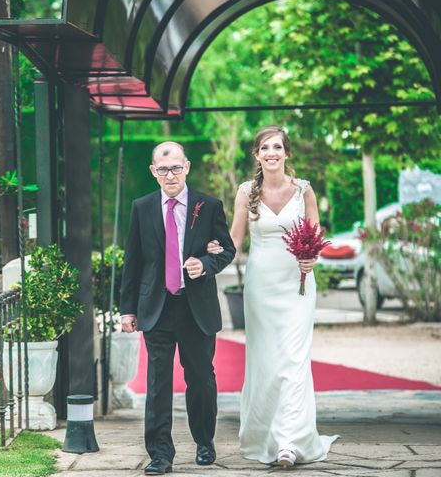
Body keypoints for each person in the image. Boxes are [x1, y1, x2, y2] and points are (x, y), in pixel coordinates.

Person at [209, 125, 338, 467]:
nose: (271, 153)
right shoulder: (245, 193)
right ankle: (264, 436)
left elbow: (316, 237)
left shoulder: (304, 191)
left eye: (277, 147)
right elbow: (234, 240)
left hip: (298, 284)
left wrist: (313, 258)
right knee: (266, 361)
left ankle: (290, 442)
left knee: (294, 360)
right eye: (265, 147)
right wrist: (209, 253)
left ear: (286, 153)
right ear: (257, 155)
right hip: (261, 286)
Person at [119, 141, 236, 475]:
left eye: (175, 168)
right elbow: (134, 261)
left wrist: (206, 264)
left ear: (187, 167)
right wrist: (128, 309)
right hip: (155, 306)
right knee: (157, 382)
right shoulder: (141, 207)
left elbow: (226, 249)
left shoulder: (208, 205)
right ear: (153, 172)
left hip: (196, 307)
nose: (169, 175)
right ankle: (159, 454)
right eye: (162, 169)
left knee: (200, 377)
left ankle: (204, 441)